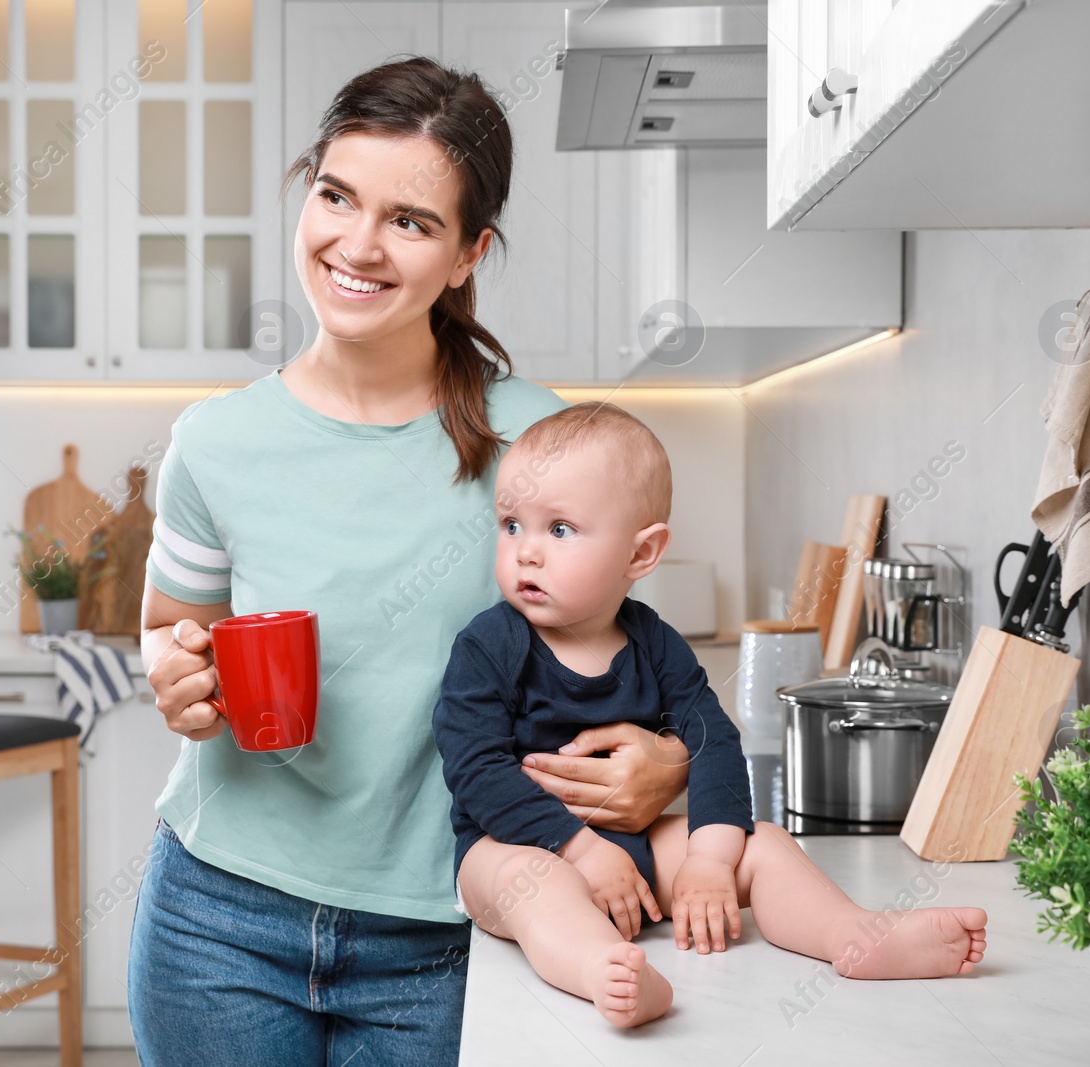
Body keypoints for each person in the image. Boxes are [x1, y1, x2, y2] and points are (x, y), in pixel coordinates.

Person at [126, 58, 691, 1066]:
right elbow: (173, 627)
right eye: (336, 195)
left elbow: (618, 666)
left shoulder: (539, 443)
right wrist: (174, 672)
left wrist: (667, 763)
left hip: (450, 932)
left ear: (469, 252)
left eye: (410, 221)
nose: (357, 243)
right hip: (216, 920)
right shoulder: (214, 442)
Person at [436, 402, 991, 1028]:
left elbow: (714, 743)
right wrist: (583, 853)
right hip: (513, 853)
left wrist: (706, 861)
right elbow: (476, 770)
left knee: (767, 845)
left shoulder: (656, 642)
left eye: (559, 529)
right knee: (534, 882)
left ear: (642, 554)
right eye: (512, 525)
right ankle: (601, 969)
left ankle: (852, 934)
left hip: (640, 854)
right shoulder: (488, 647)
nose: (526, 552)